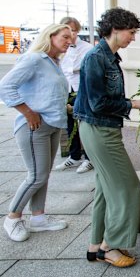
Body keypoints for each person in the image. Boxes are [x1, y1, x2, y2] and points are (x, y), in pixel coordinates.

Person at [73, 7, 140, 268]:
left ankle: (95, 246)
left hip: (101, 129)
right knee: (128, 187)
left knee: (106, 191)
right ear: (115, 29)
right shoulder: (97, 57)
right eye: (131, 32)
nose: (133, 37)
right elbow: (98, 103)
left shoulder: (107, 56)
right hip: (100, 131)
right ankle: (110, 246)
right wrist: (133, 104)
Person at [0, 24, 73, 242]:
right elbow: (5, 87)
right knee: (37, 175)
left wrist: (67, 108)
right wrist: (28, 112)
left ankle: (38, 218)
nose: (70, 41)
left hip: (52, 125)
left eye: (72, 38)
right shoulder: (34, 59)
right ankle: (12, 217)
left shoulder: (53, 62)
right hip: (34, 127)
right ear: (50, 36)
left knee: (43, 175)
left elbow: (46, 94)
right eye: (65, 37)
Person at [54, 17, 94, 173]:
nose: (70, 34)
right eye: (66, 31)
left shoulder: (87, 47)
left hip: (81, 89)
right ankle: (74, 156)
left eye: (73, 30)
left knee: (84, 124)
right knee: (70, 124)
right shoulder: (61, 50)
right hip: (67, 89)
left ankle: (89, 158)